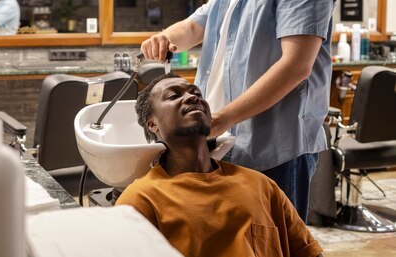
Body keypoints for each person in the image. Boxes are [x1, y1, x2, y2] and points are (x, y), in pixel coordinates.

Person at [139, 0, 339, 221]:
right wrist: (163, 36)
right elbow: (195, 27)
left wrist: (221, 119)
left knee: (276, 243)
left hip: (275, 147)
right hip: (228, 140)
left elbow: (295, 67)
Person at [116, 73, 324, 257]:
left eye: (195, 92)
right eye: (173, 96)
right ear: (152, 124)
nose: (191, 97)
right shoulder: (140, 200)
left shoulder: (261, 186)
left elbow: (307, 253)